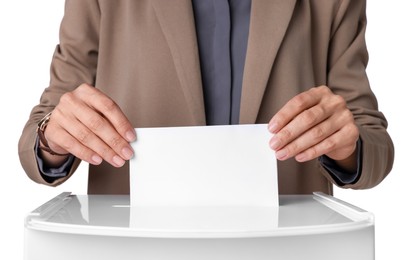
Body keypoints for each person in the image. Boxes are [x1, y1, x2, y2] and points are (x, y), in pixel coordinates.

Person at [19, 0, 394, 195]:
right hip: (136, 243)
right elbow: (44, 126)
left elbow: (373, 143)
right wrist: (55, 137)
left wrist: (347, 145)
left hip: (284, 245)